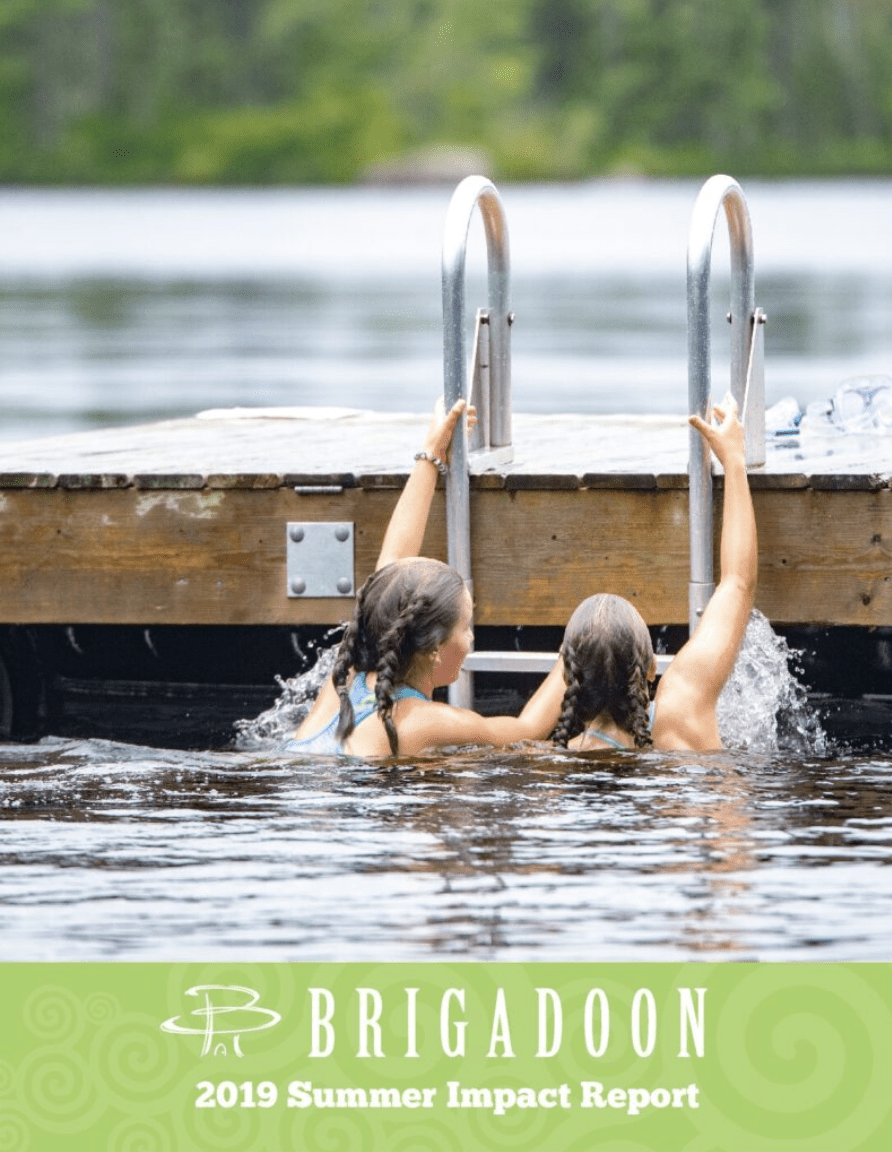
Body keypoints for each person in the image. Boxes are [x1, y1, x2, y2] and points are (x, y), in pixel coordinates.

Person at [285, 398, 565, 758]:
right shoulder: (426, 721)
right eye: (466, 627)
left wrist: (431, 453)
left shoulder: (347, 677)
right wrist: (583, 645)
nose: (472, 637)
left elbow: (390, 568)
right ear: (434, 650)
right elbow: (527, 729)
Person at [553, 392, 757, 753]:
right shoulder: (682, 705)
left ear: (568, 677)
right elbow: (737, 583)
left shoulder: (559, 759)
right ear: (651, 669)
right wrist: (734, 461)